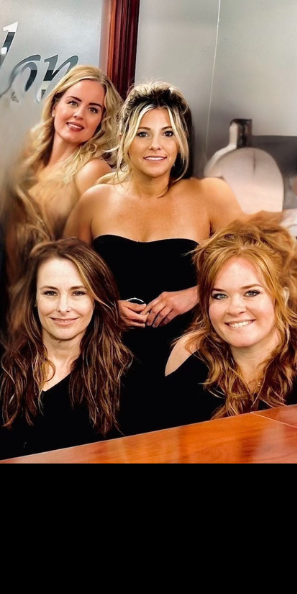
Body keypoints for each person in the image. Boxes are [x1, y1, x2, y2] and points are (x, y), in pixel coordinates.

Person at [65, 81, 245, 375]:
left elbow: (258, 269)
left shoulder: (210, 195)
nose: (155, 146)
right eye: (143, 134)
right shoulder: (96, 199)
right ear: (125, 139)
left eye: (168, 133)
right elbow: (62, 276)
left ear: (181, 141)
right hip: (105, 359)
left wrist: (196, 293)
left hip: (187, 362)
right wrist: (104, 306)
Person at [0, 238, 154, 461]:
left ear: (96, 300)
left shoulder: (128, 376)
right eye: (50, 293)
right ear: (34, 299)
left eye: (78, 293)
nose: (63, 308)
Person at [163, 216, 297, 426]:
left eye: (252, 293)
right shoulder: (187, 351)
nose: (235, 308)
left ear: (281, 296)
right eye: (219, 296)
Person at [2, 65, 122, 291]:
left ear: (101, 122)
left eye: (93, 109)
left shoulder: (91, 171)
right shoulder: (29, 157)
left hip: (51, 303)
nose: (79, 114)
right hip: (7, 297)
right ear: (56, 105)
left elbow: (106, 258)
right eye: (73, 102)